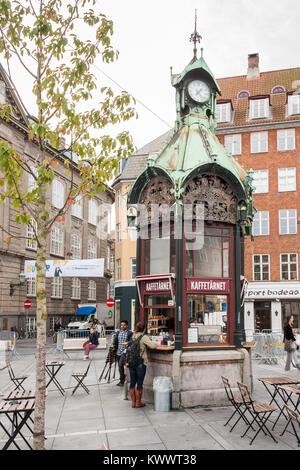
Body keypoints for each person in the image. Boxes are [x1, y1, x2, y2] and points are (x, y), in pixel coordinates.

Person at [128, 321, 158, 408]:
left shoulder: (133, 335)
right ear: (144, 329)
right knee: (140, 383)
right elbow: (152, 346)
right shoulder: (143, 337)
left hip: (131, 361)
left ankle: (133, 403)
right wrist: (158, 343)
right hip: (141, 362)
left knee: (132, 382)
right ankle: (138, 402)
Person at [113, 320, 133, 386]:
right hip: (118, 351)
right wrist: (113, 346)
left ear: (127, 326)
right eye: (121, 325)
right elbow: (115, 341)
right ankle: (122, 379)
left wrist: (128, 345)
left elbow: (132, 341)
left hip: (125, 352)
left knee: (121, 365)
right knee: (120, 367)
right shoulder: (118, 332)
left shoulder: (130, 333)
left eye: (124, 325)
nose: (122, 326)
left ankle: (123, 381)